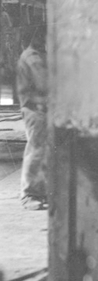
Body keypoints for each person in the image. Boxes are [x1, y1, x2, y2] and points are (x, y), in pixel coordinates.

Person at [16, 23, 48, 211]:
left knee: (41, 152)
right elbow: (44, 83)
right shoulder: (32, 57)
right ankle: (28, 194)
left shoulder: (36, 55)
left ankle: (38, 192)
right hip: (35, 110)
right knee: (35, 152)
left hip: (39, 110)